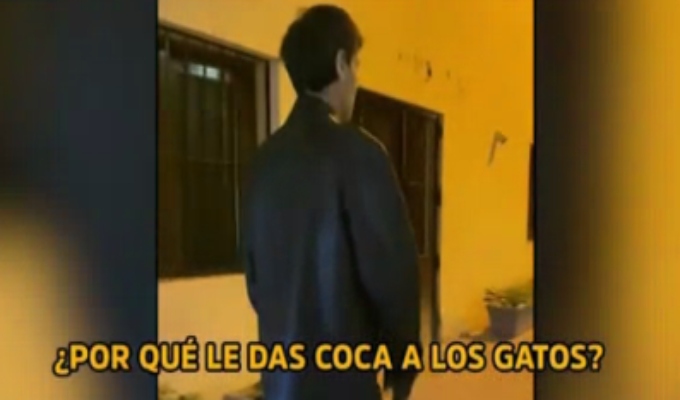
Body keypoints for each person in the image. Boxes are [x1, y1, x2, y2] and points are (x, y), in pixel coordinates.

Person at [241, 5, 421, 400]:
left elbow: (256, 285)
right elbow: (394, 278)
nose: (357, 79)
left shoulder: (261, 165)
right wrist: (402, 363)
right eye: (357, 65)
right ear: (341, 64)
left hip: (281, 384)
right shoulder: (361, 155)